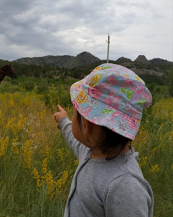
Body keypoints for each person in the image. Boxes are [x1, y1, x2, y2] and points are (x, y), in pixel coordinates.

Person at [54, 63, 154, 217]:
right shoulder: (92, 150)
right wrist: (63, 121)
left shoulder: (125, 185)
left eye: (75, 113)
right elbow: (74, 140)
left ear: (86, 125)